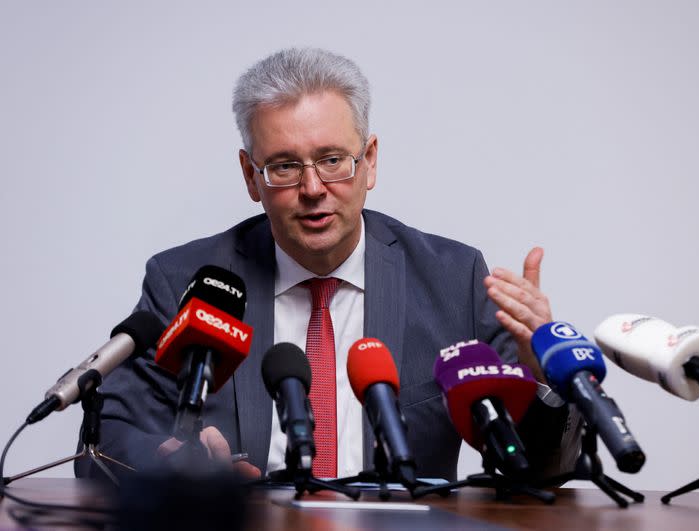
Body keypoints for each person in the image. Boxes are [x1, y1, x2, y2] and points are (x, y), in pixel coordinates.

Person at [75, 48, 580, 481]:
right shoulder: (185, 282)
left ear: (370, 161)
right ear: (251, 177)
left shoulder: (453, 280)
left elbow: (537, 469)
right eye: (284, 166)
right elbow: (106, 442)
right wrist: (171, 466)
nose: (313, 188)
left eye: (333, 159)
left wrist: (541, 374)